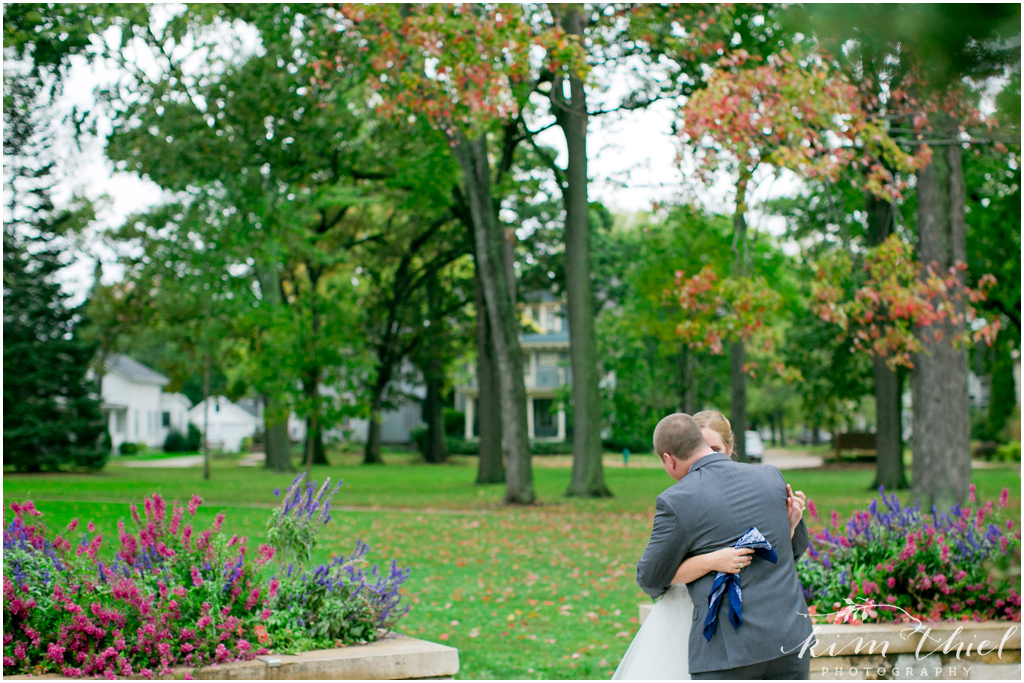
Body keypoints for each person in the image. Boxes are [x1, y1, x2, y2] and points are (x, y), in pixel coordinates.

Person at [615, 413, 813, 680]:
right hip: (790, 641)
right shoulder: (770, 476)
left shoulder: (677, 500)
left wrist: (700, 563)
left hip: (729, 655)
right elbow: (795, 549)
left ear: (668, 459)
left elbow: (650, 578)